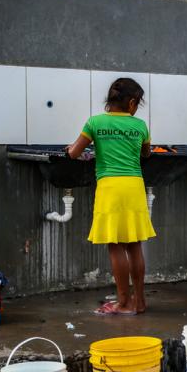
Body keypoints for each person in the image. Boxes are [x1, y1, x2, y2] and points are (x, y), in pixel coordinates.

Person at [66, 78, 156, 315]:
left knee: (115, 245)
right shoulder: (140, 126)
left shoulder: (95, 123)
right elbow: (146, 153)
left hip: (109, 187)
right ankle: (140, 301)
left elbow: (74, 153)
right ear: (132, 102)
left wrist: (76, 149)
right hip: (134, 185)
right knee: (135, 245)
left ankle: (123, 303)